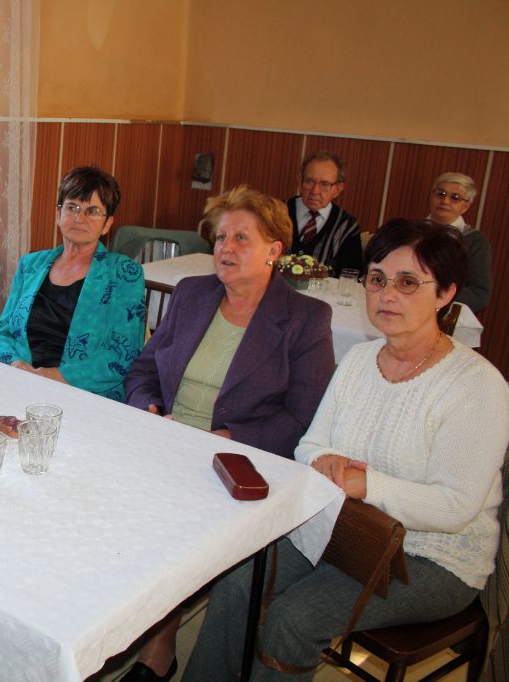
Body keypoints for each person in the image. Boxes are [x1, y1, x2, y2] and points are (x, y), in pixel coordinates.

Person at [183, 219, 509, 682]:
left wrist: (366, 484)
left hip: (434, 556)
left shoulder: (476, 386)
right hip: (345, 527)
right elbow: (309, 444)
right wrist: (325, 461)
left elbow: (455, 506)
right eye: (377, 279)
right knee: (237, 583)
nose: (387, 295)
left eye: (408, 282)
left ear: (446, 293)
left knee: (293, 619)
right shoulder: (358, 359)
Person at [120, 186, 335, 681]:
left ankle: (158, 648)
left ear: (274, 249)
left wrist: (228, 437)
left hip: (238, 462)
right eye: (220, 238)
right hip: (166, 440)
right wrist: (146, 408)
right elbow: (144, 370)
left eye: (241, 238)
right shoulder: (193, 294)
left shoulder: (305, 319)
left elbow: (302, 416)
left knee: (164, 527)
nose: (225, 248)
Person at [0, 166, 146, 401]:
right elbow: (2, 332)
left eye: (92, 211)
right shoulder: (31, 265)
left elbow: (122, 355)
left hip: (84, 395)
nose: (80, 218)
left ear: (107, 224)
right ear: (58, 214)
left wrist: (51, 376)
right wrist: (15, 364)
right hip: (21, 381)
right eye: (72, 207)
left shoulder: (124, 274)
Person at [285, 151, 363, 277]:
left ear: (338, 189)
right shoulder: (276, 212)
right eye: (310, 181)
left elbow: (350, 276)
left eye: (325, 184)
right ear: (299, 181)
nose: (315, 191)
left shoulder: (347, 226)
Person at [426, 171, 491, 313]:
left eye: (455, 197)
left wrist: (434, 298)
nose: (445, 201)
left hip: (445, 313)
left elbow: (479, 294)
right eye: (440, 194)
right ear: (431, 196)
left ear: (465, 206)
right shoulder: (408, 232)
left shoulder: (475, 241)